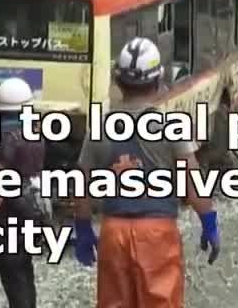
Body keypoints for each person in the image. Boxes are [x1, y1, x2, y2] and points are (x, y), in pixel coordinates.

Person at [73, 37, 221, 308]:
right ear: (158, 82)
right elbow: (191, 180)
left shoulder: (100, 128)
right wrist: (208, 221)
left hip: (113, 231)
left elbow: (81, 185)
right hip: (157, 233)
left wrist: (82, 227)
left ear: (118, 82)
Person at [0, 77, 46, 308]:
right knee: (25, 272)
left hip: (9, 214)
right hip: (34, 210)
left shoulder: (4, 137)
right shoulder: (35, 130)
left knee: (13, 275)